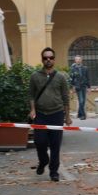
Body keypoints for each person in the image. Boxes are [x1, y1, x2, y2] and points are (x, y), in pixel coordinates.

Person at [29, 47, 72, 182]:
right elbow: (31, 95)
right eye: (45, 58)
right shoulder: (35, 76)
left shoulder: (61, 77)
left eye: (51, 58)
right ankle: (43, 161)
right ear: (42, 60)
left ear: (54, 59)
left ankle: (54, 171)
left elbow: (65, 97)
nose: (48, 60)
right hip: (40, 114)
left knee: (55, 144)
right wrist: (32, 109)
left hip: (56, 114)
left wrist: (67, 116)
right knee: (39, 142)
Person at [69, 55, 90, 120]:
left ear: (81, 60)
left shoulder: (85, 68)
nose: (78, 60)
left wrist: (89, 87)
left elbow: (88, 78)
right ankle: (83, 115)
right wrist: (72, 87)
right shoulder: (73, 68)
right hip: (77, 87)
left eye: (79, 59)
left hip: (84, 86)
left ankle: (79, 114)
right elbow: (71, 78)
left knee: (83, 102)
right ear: (75, 60)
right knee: (81, 101)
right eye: (76, 59)